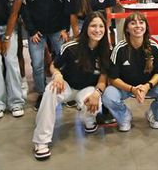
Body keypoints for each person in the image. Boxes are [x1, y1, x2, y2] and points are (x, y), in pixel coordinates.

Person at [32, 12, 109, 160]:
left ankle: (89, 120)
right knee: (50, 90)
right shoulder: (71, 47)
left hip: (87, 89)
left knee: (95, 100)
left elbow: (102, 79)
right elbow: (53, 66)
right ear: (86, 27)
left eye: (101, 26)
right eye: (93, 26)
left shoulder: (106, 50)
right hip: (66, 86)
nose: (97, 30)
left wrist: (97, 93)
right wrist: (58, 75)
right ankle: (41, 141)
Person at [102, 12, 158, 131]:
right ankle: (124, 117)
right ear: (127, 28)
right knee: (108, 96)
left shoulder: (154, 47)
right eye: (133, 23)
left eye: (141, 22)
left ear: (146, 26)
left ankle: (154, 115)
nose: (138, 26)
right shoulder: (119, 49)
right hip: (125, 87)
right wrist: (132, 89)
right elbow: (113, 79)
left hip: (148, 86)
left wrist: (147, 86)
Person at [23, 0, 70, 110]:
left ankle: (66, 91)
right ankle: (42, 93)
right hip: (37, 33)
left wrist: (65, 28)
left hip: (58, 30)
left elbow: (66, 8)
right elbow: (25, 9)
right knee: (37, 64)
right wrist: (31, 31)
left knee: (63, 61)